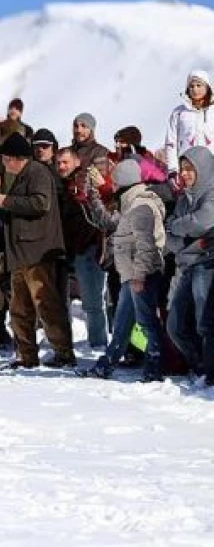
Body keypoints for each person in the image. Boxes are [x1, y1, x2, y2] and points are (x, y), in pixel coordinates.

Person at [0, 134, 75, 368]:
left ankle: (64, 353)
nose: (4, 164)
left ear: (16, 158)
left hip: (38, 251)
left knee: (47, 305)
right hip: (20, 252)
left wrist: (6, 201)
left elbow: (40, 203)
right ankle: (26, 355)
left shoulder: (38, 173)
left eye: (6, 159)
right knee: (20, 309)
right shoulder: (22, 176)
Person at [80, 159, 168, 382]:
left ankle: (154, 369)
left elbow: (146, 244)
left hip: (142, 274)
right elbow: (109, 223)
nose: (113, 185)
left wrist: (139, 276)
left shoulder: (140, 206)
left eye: (115, 180)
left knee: (147, 322)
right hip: (132, 274)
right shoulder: (131, 202)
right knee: (121, 324)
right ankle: (106, 365)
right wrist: (93, 196)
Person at [164, 147, 214, 380]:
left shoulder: (211, 192)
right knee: (175, 326)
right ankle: (200, 367)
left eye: (189, 169)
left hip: (207, 264)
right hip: (187, 264)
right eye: (182, 169)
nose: (184, 174)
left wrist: (178, 228)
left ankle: (211, 373)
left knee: (206, 322)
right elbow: (171, 238)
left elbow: (202, 223)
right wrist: (185, 235)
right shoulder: (183, 199)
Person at [55, 148, 110, 349]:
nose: (61, 166)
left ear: (76, 162)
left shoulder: (82, 180)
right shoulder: (62, 184)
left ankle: (98, 344)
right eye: (58, 163)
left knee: (92, 301)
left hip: (88, 248)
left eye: (65, 162)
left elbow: (94, 212)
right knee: (71, 301)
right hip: (70, 249)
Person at [164, 70, 214, 179]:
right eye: (191, 86)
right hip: (187, 169)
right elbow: (171, 143)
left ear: (207, 87)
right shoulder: (179, 113)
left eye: (199, 85)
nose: (195, 89)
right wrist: (173, 170)